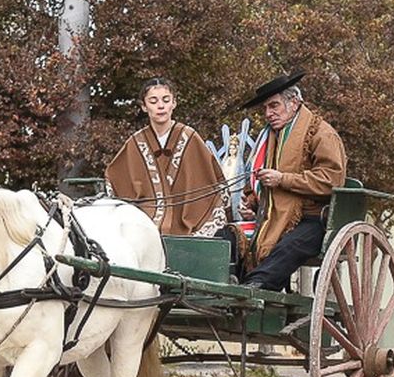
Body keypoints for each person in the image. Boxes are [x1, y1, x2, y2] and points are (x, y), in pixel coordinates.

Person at [239, 72, 348, 291]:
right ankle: (221, 288)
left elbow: (332, 181)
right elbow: (257, 181)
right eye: (265, 108)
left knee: (289, 246)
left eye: (274, 106)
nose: (268, 114)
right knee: (230, 236)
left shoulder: (321, 134)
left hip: (313, 219)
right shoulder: (268, 138)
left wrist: (283, 180)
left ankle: (252, 288)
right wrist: (252, 204)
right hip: (271, 215)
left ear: (294, 103)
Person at [105, 77, 229, 237]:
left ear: (174, 103)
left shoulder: (190, 137)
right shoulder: (135, 142)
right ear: (144, 106)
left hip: (187, 220)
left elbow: (210, 179)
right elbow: (116, 177)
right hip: (147, 222)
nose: (160, 106)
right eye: (153, 101)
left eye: (165, 100)